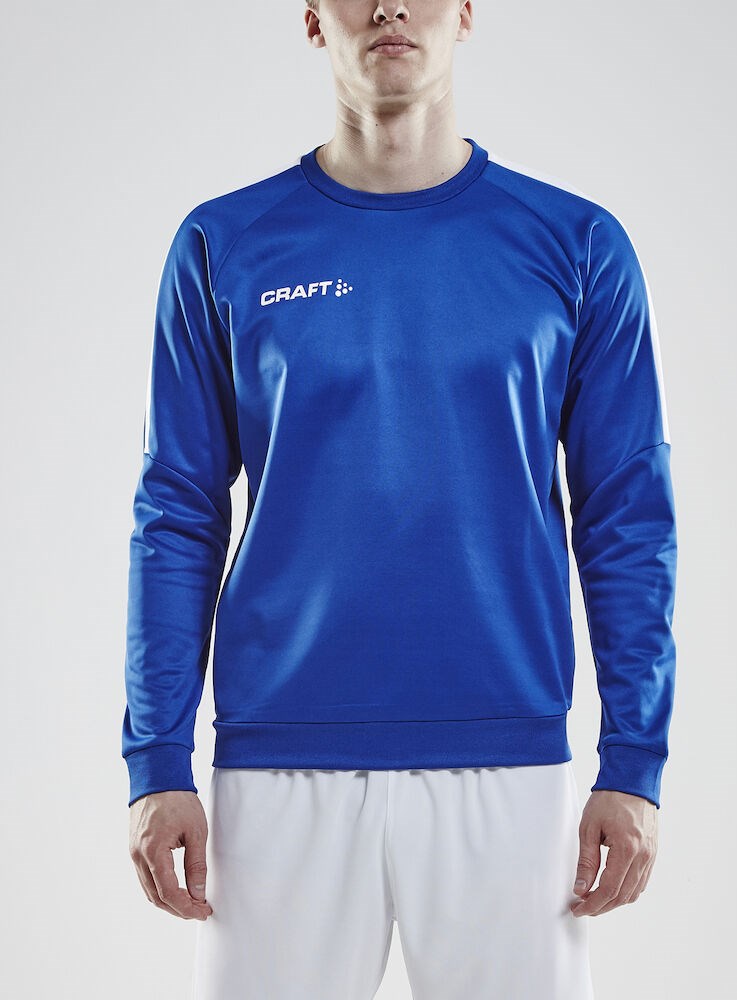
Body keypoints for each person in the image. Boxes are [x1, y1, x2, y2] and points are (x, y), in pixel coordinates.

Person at [123, 2, 678, 997]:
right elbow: (178, 513)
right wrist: (157, 757)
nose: (388, 7)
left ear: (465, 12)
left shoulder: (576, 244)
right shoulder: (224, 242)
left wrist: (633, 759)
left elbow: (627, 517)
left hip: (510, 760)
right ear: (312, 19)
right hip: (277, 763)